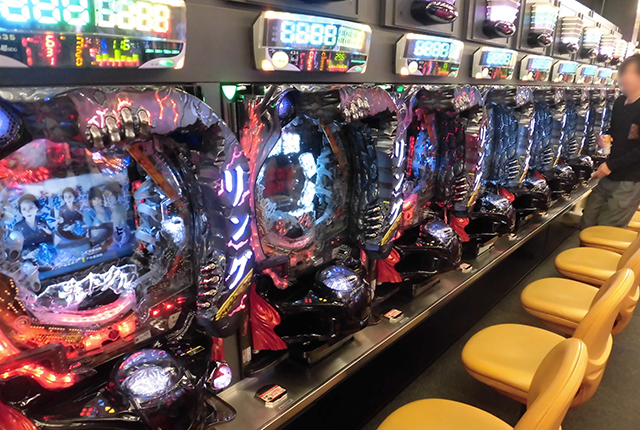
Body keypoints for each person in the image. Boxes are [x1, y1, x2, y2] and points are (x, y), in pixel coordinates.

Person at [580, 54, 640, 229]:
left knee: (607, 227)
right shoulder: (620, 102)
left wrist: (611, 165)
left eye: (627, 73)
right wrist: (605, 138)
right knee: (587, 220)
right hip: (610, 174)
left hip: (630, 180)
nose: (622, 77)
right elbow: (617, 131)